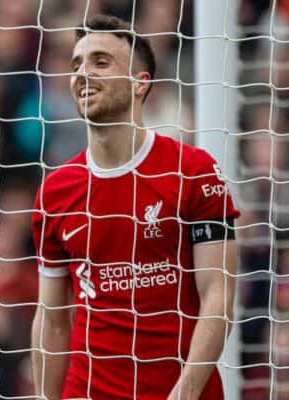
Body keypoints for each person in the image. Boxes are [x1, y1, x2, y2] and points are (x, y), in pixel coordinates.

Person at [30, 14, 240, 400]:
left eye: (100, 62)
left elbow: (218, 295)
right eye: (76, 64)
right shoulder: (55, 191)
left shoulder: (193, 171)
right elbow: (52, 316)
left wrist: (186, 392)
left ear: (140, 84)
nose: (83, 73)